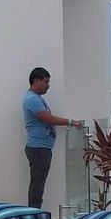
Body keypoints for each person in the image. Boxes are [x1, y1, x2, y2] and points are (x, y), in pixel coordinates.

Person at [23, 67, 83, 210]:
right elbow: (48, 118)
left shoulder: (36, 99)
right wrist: (71, 122)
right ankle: (34, 214)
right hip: (38, 148)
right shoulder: (32, 99)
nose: (48, 85)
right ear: (36, 81)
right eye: (46, 82)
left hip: (42, 148)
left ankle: (35, 212)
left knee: (39, 183)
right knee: (38, 184)